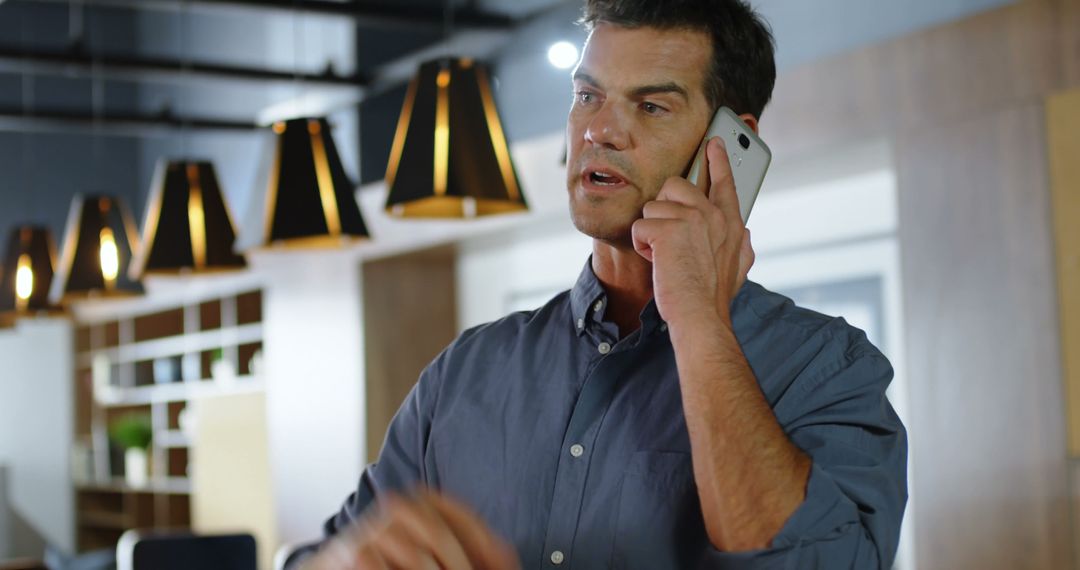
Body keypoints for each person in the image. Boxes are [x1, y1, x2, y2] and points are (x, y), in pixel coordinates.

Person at [290, 0, 907, 568]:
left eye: (651, 106)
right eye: (587, 97)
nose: (599, 131)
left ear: (729, 144)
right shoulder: (465, 373)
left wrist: (698, 319)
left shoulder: (829, 367)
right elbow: (329, 551)